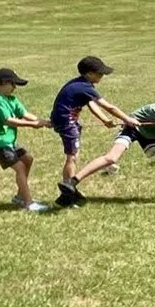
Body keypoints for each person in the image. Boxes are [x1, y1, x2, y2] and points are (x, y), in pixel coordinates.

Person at [51, 57, 131, 208]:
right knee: (72, 157)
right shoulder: (84, 87)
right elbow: (110, 107)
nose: (102, 76)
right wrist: (128, 119)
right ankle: (67, 192)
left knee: (74, 156)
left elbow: (90, 103)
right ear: (89, 73)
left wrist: (105, 120)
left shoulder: (80, 83)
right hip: (67, 123)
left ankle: (69, 191)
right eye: (99, 74)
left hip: (67, 121)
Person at [0, 68, 50, 212]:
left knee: (28, 159)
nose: (14, 87)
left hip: (9, 142)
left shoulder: (12, 99)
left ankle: (20, 196)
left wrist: (44, 122)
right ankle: (28, 203)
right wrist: (33, 125)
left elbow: (25, 114)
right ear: (0, 84)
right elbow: (9, 121)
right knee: (20, 167)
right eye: (12, 84)